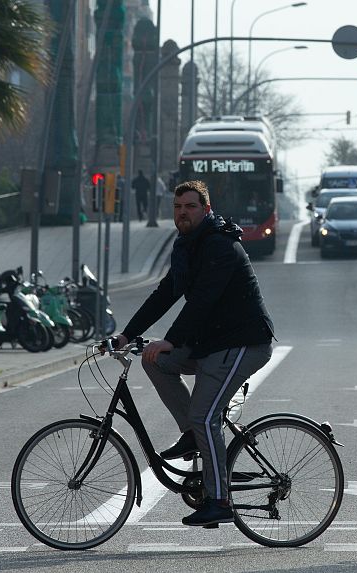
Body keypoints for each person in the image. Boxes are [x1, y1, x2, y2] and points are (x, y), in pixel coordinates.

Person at [110, 180, 275, 527]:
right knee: (155, 360)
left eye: (190, 206)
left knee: (206, 417)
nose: (182, 212)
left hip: (242, 343)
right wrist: (128, 334)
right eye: (177, 207)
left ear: (206, 210)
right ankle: (192, 436)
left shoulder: (219, 246)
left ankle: (219, 501)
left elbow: (203, 301)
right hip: (212, 343)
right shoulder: (187, 246)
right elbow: (164, 293)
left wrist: (170, 339)